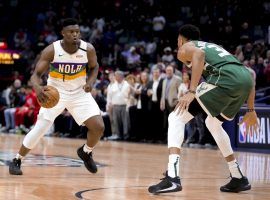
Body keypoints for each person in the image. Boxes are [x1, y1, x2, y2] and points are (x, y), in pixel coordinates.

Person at [148, 24, 259, 194]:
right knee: (213, 123)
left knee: (175, 118)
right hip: (243, 82)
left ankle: (172, 177)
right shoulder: (215, 47)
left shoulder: (186, 48)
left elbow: (198, 55)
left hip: (225, 80)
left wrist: (192, 91)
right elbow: (248, 76)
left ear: (181, 38)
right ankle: (238, 177)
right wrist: (251, 110)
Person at [9, 18, 104, 175]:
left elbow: (95, 67)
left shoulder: (88, 49)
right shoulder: (51, 50)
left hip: (79, 92)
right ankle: (17, 160)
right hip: (56, 93)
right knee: (40, 129)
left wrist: (91, 82)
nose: (75, 35)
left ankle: (86, 152)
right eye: (71, 32)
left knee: (99, 127)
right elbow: (36, 75)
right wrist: (38, 88)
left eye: (77, 32)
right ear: (63, 34)